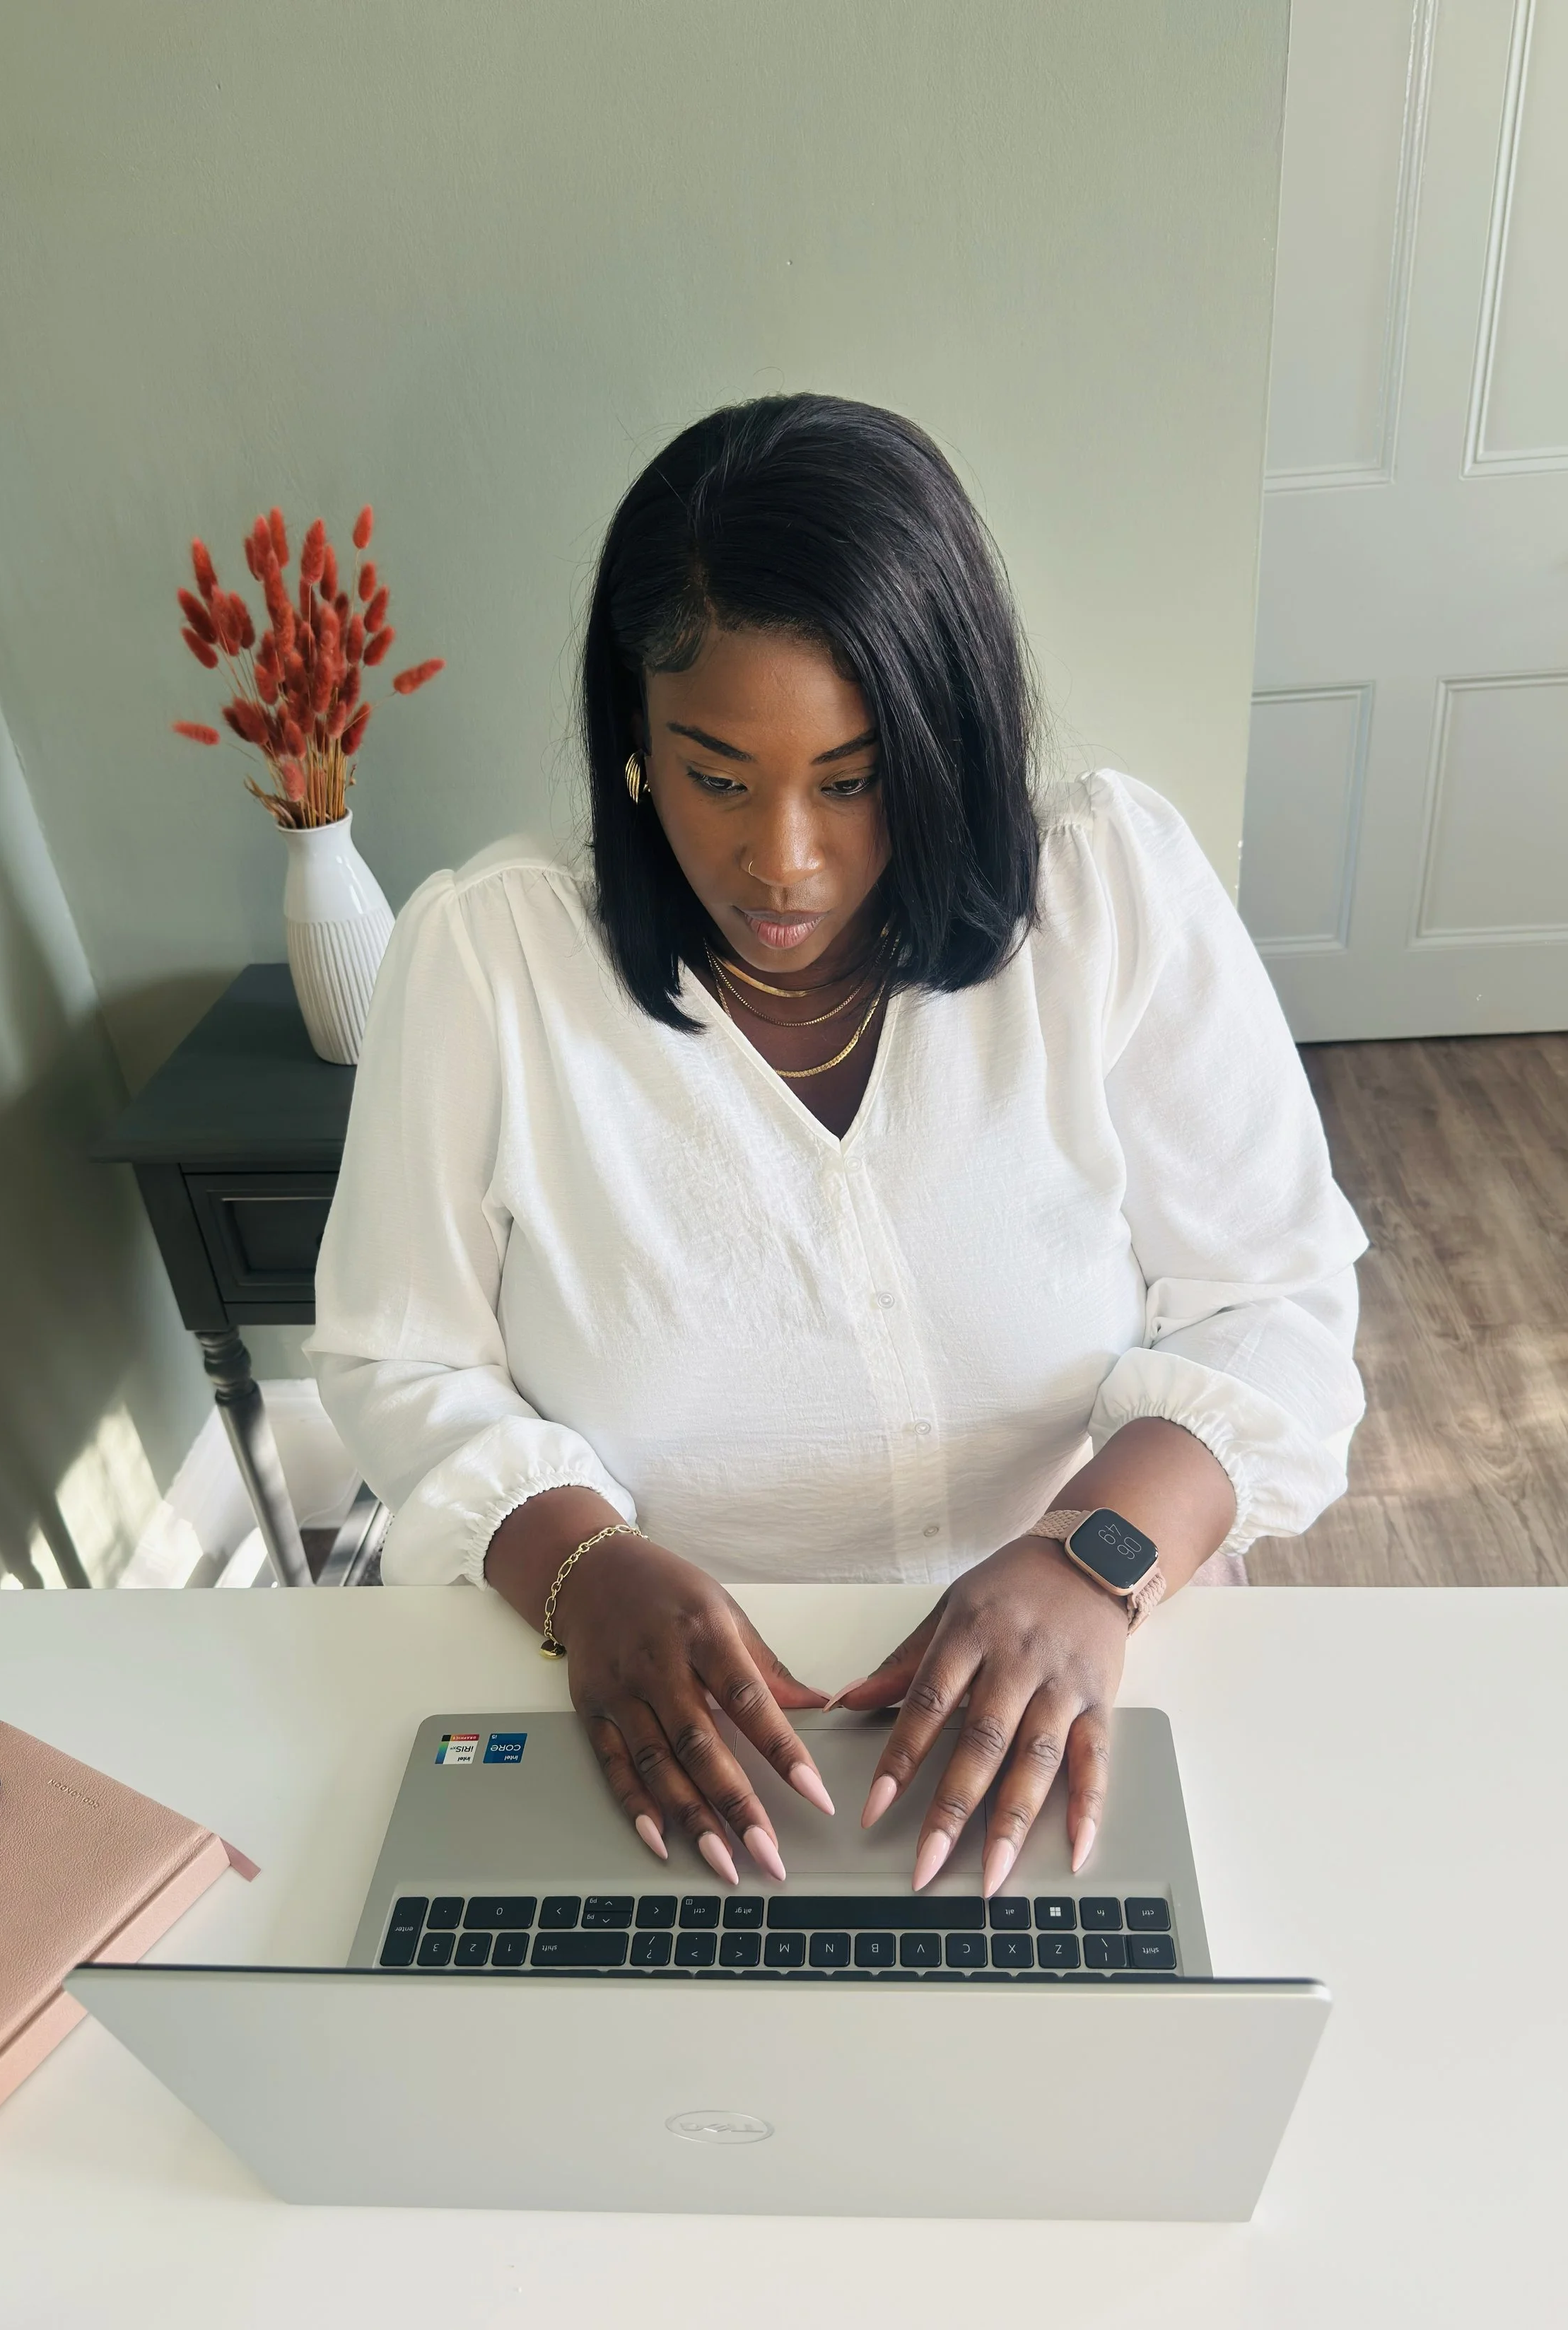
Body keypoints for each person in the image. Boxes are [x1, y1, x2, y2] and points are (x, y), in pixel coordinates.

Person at [309, 394, 1365, 1897]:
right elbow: (393, 1357)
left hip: (1098, 1644)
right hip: (676, 1715)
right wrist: (580, 1570)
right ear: (632, 748)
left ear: (944, 737)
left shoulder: (1106, 893)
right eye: (715, 776)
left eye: (853, 777)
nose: (781, 862)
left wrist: (1092, 1558)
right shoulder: (486, 961)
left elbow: (1276, 1303)